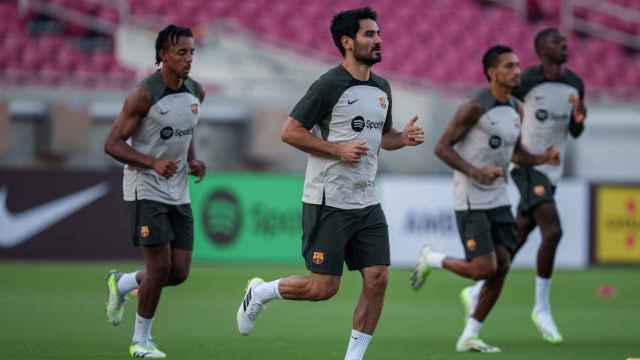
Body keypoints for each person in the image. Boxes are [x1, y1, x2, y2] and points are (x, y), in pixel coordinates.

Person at [235, 7, 424, 360]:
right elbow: (289, 131)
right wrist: (337, 150)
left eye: (379, 33)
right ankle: (261, 292)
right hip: (328, 199)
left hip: (366, 200)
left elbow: (383, 137)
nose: (378, 39)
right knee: (323, 288)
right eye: (370, 34)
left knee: (378, 278)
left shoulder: (382, 88)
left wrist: (404, 138)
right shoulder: (329, 84)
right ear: (347, 42)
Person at [410, 45, 560, 352]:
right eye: (509, 66)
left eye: (518, 65)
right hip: (470, 199)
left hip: (499, 198)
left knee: (503, 264)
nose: (517, 71)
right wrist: (476, 172)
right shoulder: (474, 107)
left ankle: (470, 335)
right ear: (492, 73)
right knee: (483, 269)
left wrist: (543, 156)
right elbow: (441, 148)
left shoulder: (517, 110)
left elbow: (516, 153)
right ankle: (433, 258)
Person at [460, 27, 587, 344]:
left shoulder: (575, 83)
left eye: (565, 42)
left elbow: (575, 131)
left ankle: (475, 289)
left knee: (521, 230)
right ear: (542, 49)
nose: (565, 46)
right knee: (553, 231)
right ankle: (541, 308)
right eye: (558, 43)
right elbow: (499, 104)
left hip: (552, 169)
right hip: (527, 165)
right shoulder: (527, 80)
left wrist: (578, 119)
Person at [103, 24, 206, 359]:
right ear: (163, 56)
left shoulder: (196, 92)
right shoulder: (143, 94)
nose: (189, 58)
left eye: (192, 52)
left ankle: (122, 284)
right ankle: (140, 341)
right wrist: (151, 163)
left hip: (178, 190)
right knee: (159, 268)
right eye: (181, 52)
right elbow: (112, 144)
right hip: (144, 186)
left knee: (178, 273)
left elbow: (184, 132)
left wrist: (192, 161)